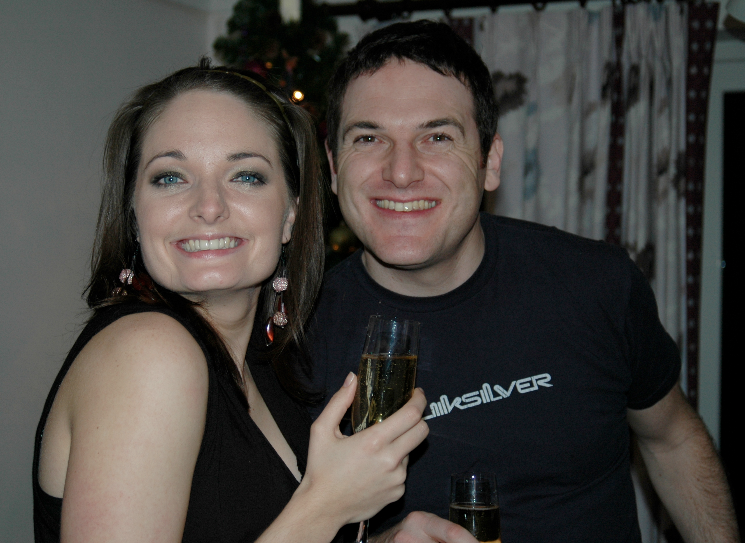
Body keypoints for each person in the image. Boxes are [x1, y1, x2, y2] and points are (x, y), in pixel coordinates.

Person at [308, 20, 740, 543]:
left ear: (489, 162)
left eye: (437, 137)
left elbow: (671, 438)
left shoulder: (594, 284)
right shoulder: (296, 340)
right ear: (334, 167)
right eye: (369, 138)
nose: (401, 172)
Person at [32, 59, 430, 543]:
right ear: (134, 214)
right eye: (170, 178)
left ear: (290, 213)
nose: (208, 206)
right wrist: (327, 505)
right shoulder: (148, 352)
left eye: (245, 176)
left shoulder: (267, 367)